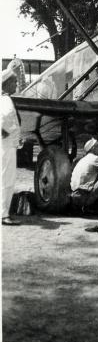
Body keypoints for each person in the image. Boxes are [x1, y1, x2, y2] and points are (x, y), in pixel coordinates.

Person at [1, 69, 21, 225]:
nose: (16, 84)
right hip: (7, 145)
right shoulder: (6, 100)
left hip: (5, 143)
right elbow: (6, 116)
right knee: (7, 179)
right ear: (7, 83)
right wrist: (5, 131)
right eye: (14, 81)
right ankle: (4, 215)